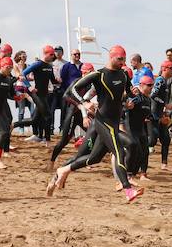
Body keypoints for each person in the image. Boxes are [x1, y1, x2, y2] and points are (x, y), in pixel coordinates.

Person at [47, 46, 143, 202]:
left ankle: (63, 170)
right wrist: (84, 103)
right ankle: (127, 189)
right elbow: (74, 90)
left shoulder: (124, 74)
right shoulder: (98, 75)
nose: (123, 62)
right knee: (120, 151)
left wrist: (130, 100)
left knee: (94, 158)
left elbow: (127, 94)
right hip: (102, 121)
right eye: (120, 59)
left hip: (114, 121)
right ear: (111, 57)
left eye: (124, 59)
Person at [50, 62, 95, 168]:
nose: (92, 75)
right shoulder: (77, 82)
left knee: (92, 136)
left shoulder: (92, 84)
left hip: (84, 115)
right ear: (84, 73)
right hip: (73, 114)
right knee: (64, 141)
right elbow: (65, 96)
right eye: (90, 72)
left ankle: (84, 160)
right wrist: (79, 105)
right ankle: (51, 161)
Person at [150, 60, 172, 170]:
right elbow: (153, 95)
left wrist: (164, 111)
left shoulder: (165, 81)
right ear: (164, 68)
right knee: (152, 140)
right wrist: (165, 104)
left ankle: (164, 164)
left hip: (160, 115)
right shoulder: (160, 80)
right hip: (153, 115)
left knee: (166, 139)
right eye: (171, 68)